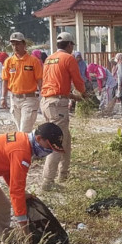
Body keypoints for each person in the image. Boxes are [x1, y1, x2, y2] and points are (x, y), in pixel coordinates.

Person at [40, 32, 87, 191]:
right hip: (57, 105)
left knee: (66, 139)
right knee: (57, 141)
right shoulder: (69, 58)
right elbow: (78, 80)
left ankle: (64, 174)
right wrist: (84, 94)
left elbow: (53, 84)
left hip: (47, 102)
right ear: (70, 45)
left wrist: (72, 96)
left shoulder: (49, 59)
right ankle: (48, 181)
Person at [1, 32, 43, 132]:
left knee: (24, 131)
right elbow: (5, 80)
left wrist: (43, 97)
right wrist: (3, 97)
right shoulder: (9, 61)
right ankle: (26, 147)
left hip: (29, 99)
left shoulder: (33, 61)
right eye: (13, 44)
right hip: (14, 99)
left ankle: (26, 146)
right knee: (20, 130)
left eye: (18, 44)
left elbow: (40, 80)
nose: (15, 47)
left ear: (24, 44)